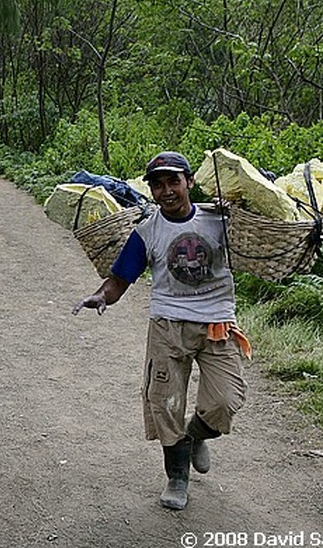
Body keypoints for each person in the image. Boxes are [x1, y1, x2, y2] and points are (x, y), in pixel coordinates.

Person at [72, 151, 249, 510]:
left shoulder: (219, 220)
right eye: (158, 184)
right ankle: (177, 477)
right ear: (151, 190)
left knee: (225, 402)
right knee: (164, 402)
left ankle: (197, 434)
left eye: (173, 181)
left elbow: (259, 240)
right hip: (168, 324)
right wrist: (100, 296)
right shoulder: (147, 231)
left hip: (217, 322)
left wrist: (238, 206)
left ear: (189, 182)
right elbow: (121, 278)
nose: (166, 190)